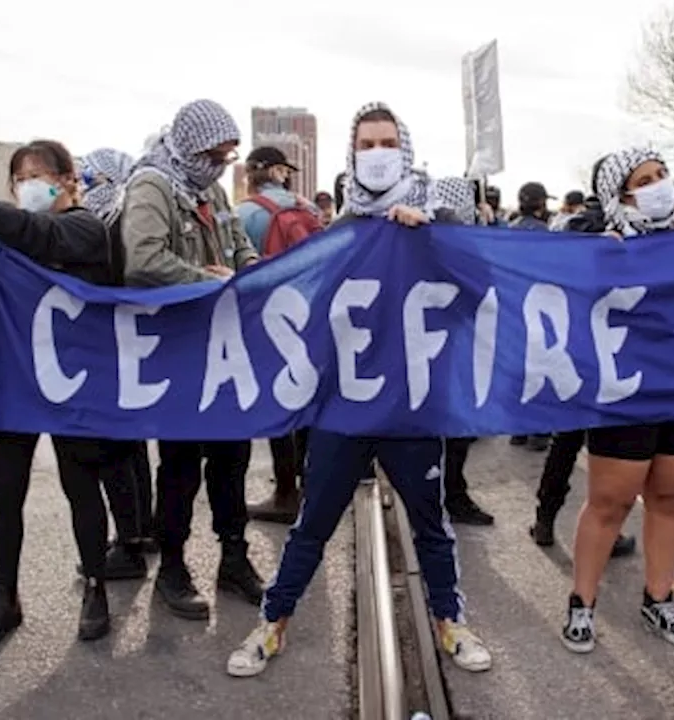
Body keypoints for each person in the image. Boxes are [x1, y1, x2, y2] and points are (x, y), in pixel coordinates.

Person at [228, 102, 492, 678]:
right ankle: (274, 621)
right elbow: (300, 301)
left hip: (412, 407)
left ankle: (450, 618)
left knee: (431, 523)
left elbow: (480, 291)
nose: (378, 153)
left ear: (407, 147)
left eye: (387, 142)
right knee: (313, 525)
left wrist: (435, 240)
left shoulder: (436, 221)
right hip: (343, 408)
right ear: (352, 155)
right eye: (367, 144)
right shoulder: (339, 231)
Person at [0, 140, 124, 647]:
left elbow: (40, 231)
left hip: (73, 384)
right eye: (19, 178)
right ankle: (4, 598)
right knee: (5, 495)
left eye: (38, 175)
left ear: (67, 180)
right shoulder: (6, 238)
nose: (27, 186)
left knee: (82, 487)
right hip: (13, 382)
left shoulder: (85, 229)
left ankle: (95, 587)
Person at [563, 143, 674, 654]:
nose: (659, 186)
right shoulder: (597, 245)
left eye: (662, 174)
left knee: (669, 498)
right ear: (619, 195)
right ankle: (582, 604)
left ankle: (659, 597)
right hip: (624, 391)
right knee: (610, 501)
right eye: (644, 178)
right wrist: (594, 258)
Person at [119, 99, 264, 618]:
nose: (221, 164)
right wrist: (210, 281)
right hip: (176, 349)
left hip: (224, 348)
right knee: (180, 463)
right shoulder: (152, 186)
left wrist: (252, 274)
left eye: (228, 155)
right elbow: (143, 261)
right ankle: (173, 566)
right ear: (189, 146)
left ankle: (233, 557)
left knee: (232, 458)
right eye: (214, 154)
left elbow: (239, 246)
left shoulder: (214, 191)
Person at [531, 155, 636, 558]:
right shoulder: (613, 230)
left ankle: (546, 518)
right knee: (608, 451)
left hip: (576, 355)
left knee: (566, 442)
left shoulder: (573, 226)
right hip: (613, 356)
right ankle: (606, 529)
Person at [74, 147, 157, 577]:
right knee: (129, 449)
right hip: (128, 352)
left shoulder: (108, 224)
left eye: (90, 180)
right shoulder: (123, 218)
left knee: (113, 454)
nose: (85, 188)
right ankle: (140, 532)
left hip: (112, 352)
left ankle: (128, 546)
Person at [235, 145, 322, 524]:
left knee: (275, 401)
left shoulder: (245, 213)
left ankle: (286, 490)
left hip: (266, 318)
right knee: (304, 397)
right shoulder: (308, 211)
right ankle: (310, 482)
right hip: (310, 314)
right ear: (277, 172)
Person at [425, 176, 495, 526]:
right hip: (453, 344)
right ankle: (452, 494)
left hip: (426, 347)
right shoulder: (456, 236)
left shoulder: (423, 229)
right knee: (455, 430)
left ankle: (439, 494)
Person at [508, 181, 556, 452]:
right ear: (541, 204)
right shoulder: (546, 234)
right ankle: (539, 431)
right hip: (540, 307)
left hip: (513, 309)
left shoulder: (507, 232)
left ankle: (518, 429)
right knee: (540, 368)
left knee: (517, 368)